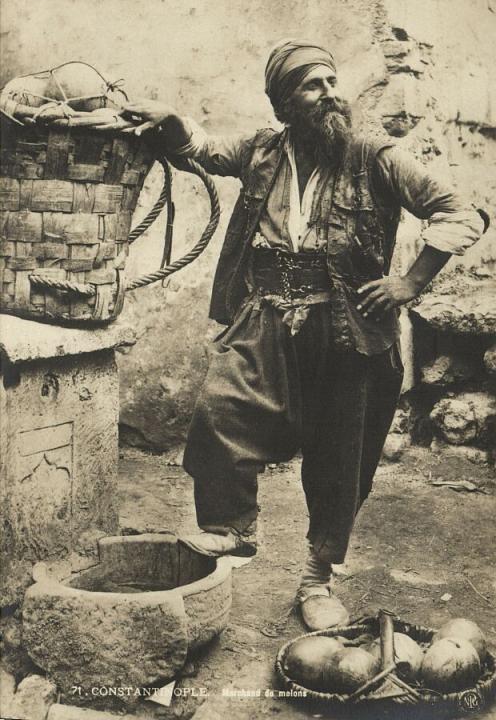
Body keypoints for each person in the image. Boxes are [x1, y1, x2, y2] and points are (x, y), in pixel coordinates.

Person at [114, 40, 487, 631]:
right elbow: (204, 149)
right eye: (312, 85)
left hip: (349, 328)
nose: (330, 93)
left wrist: (408, 284)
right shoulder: (263, 150)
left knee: (340, 457)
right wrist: (174, 120)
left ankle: (317, 580)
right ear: (284, 102)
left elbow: (460, 211)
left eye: (332, 81)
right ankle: (232, 527)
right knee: (219, 412)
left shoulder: (376, 156)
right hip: (265, 312)